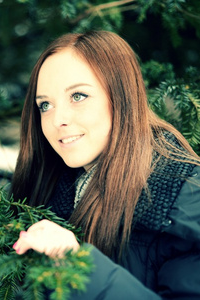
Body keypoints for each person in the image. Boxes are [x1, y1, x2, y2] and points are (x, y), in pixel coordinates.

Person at [11, 30, 200, 299]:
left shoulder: (186, 198)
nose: (57, 120)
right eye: (45, 105)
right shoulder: (57, 185)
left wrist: (79, 265)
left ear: (121, 98)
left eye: (78, 96)